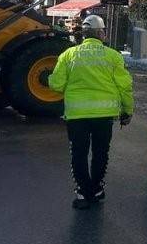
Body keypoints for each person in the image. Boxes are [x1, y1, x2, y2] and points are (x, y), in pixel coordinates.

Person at [47, 15, 134, 210]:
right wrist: (127, 111)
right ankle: (96, 189)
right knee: (100, 152)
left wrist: (53, 80)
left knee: (78, 153)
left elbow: (57, 84)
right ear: (101, 33)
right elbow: (125, 86)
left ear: (84, 35)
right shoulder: (113, 56)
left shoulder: (68, 55)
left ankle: (82, 192)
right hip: (104, 115)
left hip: (77, 116)